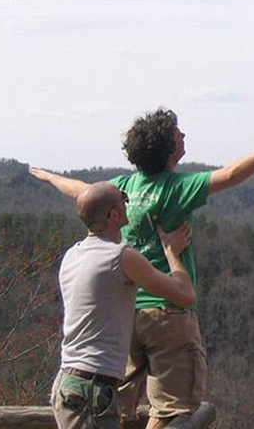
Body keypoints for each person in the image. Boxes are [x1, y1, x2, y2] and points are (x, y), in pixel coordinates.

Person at [30, 109, 254, 429]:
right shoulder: (178, 187)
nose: (183, 136)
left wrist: (51, 178)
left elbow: (83, 192)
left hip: (127, 316)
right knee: (172, 411)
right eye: (177, 133)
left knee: (116, 409)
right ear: (168, 148)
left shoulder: (122, 187)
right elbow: (231, 174)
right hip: (169, 311)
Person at [51, 181, 195, 429]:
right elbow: (184, 295)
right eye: (124, 200)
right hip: (92, 389)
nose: (129, 205)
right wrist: (172, 252)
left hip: (68, 382)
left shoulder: (72, 255)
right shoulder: (120, 257)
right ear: (113, 215)